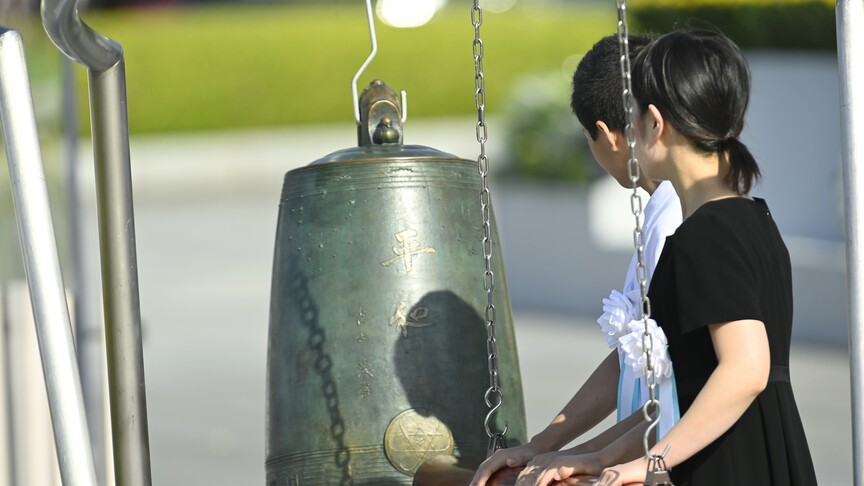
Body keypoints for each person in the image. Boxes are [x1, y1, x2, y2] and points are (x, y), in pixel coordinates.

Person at [537, 29, 817, 486]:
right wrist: (598, 456)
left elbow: (746, 369)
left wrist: (650, 463)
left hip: (733, 465)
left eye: (630, 115)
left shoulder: (708, 233)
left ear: (653, 122)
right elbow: (685, 387)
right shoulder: (746, 218)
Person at [470, 35, 683, 486]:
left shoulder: (676, 219)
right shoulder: (661, 211)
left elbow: (681, 388)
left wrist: (586, 456)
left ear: (604, 134)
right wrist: (543, 446)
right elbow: (630, 360)